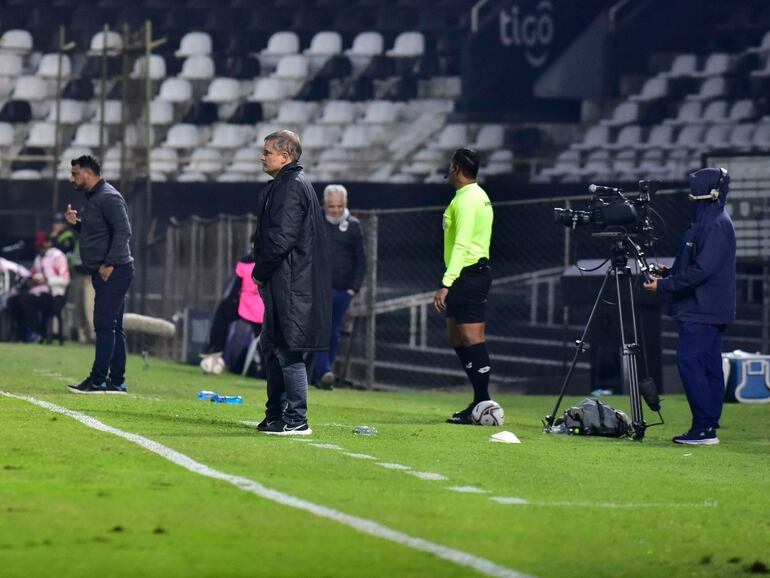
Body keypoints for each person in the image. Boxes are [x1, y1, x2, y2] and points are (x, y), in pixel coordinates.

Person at [644, 167, 736, 445]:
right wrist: (668, 273)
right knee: (707, 366)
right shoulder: (708, 220)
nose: (690, 191)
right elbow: (696, 265)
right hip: (706, 307)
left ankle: (704, 428)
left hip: (703, 309)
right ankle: (707, 426)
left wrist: (663, 286)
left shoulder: (715, 223)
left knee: (692, 363)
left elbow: (702, 271)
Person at [251, 130, 331, 435]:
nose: (262, 156)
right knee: (271, 345)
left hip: (290, 282)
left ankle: (297, 418)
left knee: (287, 348)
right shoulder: (285, 185)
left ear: (285, 157)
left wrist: (260, 271)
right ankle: (277, 413)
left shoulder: (291, 187)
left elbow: (280, 239)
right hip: (284, 280)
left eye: (268, 151)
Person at [433, 148, 494, 425]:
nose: (447, 169)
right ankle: (480, 401)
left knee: (471, 338)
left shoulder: (469, 200)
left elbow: (463, 243)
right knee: (456, 338)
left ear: (457, 168)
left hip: (468, 274)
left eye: (450, 164)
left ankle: (483, 403)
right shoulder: (471, 196)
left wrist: (446, 283)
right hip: (464, 275)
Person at [64, 155, 134, 394]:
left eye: (75, 173)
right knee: (113, 327)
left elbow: (124, 232)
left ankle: (98, 380)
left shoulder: (109, 197)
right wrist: (77, 224)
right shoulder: (94, 198)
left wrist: (108, 264)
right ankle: (116, 381)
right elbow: (98, 233)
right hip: (109, 270)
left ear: (88, 173)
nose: (71, 178)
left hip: (114, 271)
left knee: (105, 325)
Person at [311, 184, 366, 389]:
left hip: (343, 291)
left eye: (339, 206)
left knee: (333, 331)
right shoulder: (315, 222)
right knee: (322, 329)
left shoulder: (353, 226)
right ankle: (324, 371)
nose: (335, 210)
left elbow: (361, 260)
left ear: (345, 204)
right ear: (324, 204)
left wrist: (353, 288)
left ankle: (322, 375)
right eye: (331, 206)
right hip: (319, 288)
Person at [199, 254, 264, 373]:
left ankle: (215, 347)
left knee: (223, 310)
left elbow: (235, 288)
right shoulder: (272, 259)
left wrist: (229, 299)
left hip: (246, 306)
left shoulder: (244, 263)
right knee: (265, 341)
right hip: (262, 310)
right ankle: (267, 370)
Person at [6, 231, 69, 342]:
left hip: (53, 294)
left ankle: (37, 332)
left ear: (49, 243)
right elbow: (32, 273)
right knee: (12, 301)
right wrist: (31, 281)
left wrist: (46, 280)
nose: (40, 247)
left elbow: (65, 280)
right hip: (37, 292)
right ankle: (22, 333)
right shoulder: (38, 258)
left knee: (26, 300)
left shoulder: (58, 256)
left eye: (42, 244)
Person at [51, 211, 92, 342]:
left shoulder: (68, 236)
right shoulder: (69, 235)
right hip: (73, 274)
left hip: (86, 275)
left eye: (59, 223)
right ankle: (76, 335)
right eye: (55, 223)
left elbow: (64, 249)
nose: (57, 225)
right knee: (76, 306)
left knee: (86, 307)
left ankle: (89, 336)